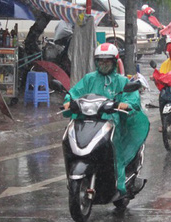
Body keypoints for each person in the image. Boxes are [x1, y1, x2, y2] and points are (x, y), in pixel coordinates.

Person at [63, 43, 150, 195]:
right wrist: (68, 101)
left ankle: (119, 183)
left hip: (112, 122)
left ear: (115, 62)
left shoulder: (121, 81)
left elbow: (132, 98)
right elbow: (74, 92)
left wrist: (126, 104)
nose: (103, 64)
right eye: (100, 61)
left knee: (116, 151)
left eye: (107, 61)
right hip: (88, 121)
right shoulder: (89, 79)